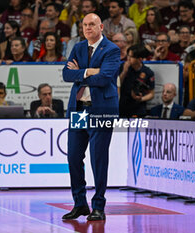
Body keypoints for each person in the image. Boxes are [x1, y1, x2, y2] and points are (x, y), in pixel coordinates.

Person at [62, 13, 120, 221]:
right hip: (79, 109)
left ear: (101, 26)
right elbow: (66, 75)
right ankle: (80, 204)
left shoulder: (112, 49)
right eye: (85, 25)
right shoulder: (77, 48)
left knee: (98, 158)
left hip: (101, 110)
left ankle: (99, 206)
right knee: (74, 157)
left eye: (92, 24)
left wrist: (81, 73)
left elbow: (105, 78)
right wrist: (89, 72)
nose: (88, 28)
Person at [119, 44, 155, 118]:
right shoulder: (122, 67)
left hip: (138, 109)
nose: (128, 59)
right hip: (122, 107)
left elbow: (151, 94)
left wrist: (141, 99)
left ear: (140, 59)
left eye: (131, 57)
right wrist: (124, 72)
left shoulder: (148, 72)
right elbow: (117, 84)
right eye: (128, 56)